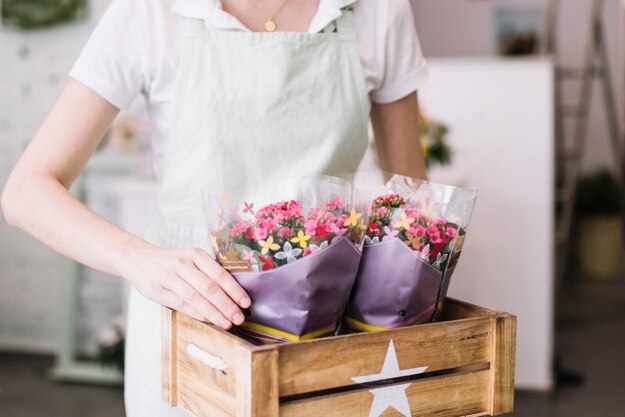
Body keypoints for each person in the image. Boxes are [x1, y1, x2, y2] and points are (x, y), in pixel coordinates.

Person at [1, 0, 428, 415]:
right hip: (188, 332)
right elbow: (26, 191)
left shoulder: (380, 10)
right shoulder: (149, 11)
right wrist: (140, 260)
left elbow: (409, 203)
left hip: (320, 338)